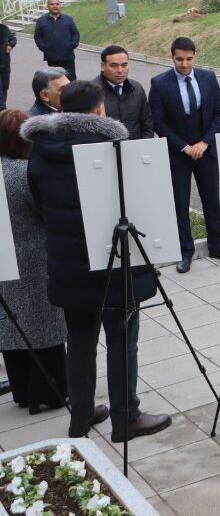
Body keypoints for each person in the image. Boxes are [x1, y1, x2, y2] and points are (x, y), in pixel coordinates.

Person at [23, 81, 171, 442]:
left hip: (69, 266)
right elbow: (136, 205)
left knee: (80, 343)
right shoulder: (112, 148)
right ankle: (126, 417)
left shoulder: (41, 150)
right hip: (113, 262)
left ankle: (81, 416)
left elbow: (37, 204)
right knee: (122, 342)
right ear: (99, 110)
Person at [0, 108, 67, 415]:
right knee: (44, 327)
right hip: (35, 258)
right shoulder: (24, 173)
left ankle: (24, 392)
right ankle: (51, 392)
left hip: (5, 260)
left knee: (11, 326)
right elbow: (46, 210)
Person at [149, 37, 220, 273]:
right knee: (180, 203)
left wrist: (205, 142)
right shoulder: (159, 84)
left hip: (206, 150)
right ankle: (185, 252)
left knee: (212, 201)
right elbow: (158, 121)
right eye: (179, 59)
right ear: (172, 57)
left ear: (194, 57)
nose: (184, 64)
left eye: (188, 59)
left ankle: (217, 245)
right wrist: (184, 147)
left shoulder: (208, 78)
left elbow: (219, 113)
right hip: (179, 154)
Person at [98, 45, 154, 140]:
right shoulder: (91, 92)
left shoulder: (137, 88)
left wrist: (145, 145)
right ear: (103, 66)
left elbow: (147, 123)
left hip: (137, 149)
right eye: (113, 65)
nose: (120, 70)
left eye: (124, 65)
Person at [32, 0, 79, 80]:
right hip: (52, 58)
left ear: (60, 6)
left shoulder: (68, 19)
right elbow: (37, 37)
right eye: (52, 4)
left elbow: (75, 34)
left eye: (57, 4)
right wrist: (44, 48)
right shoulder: (41, 21)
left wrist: (72, 45)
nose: (55, 6)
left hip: (68, 56)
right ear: (48, 6)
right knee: (56, 81)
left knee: (71, 81)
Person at [0, 21, 16, 109]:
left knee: (5, 88)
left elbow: (13, 39)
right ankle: (2, 112)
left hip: (5, 65)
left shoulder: (4, 28)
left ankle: (2, 109)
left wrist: (11, 45)